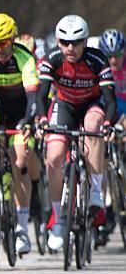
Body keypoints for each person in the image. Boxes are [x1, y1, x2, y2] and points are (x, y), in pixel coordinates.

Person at [36, 15, 116, 251]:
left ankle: (95, 193)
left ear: (84, 42)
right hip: (65, 106)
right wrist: (41, 119)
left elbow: (110, 100)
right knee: (54, 157)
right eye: (65, 43)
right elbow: (41, 95)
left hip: (92, 104)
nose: (70, 48)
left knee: (94, 126)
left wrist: (109, 123)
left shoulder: (97, 59)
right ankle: (59, 219)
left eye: (76, 42)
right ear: (58, 43)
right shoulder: (52, 59)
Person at [0, 13, 38, 255]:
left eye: (2, 43)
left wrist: (29, 121)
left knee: (20, 161)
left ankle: (22, 227)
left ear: (11, 39)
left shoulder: (24, 58)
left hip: (21, 111)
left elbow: (32, 96)